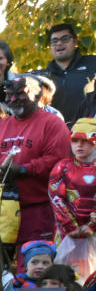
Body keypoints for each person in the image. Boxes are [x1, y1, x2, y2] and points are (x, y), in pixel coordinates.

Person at [0, 76, 72, 254]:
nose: (13, 100)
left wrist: (25, 169)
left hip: (35, 211)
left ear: (36, 95)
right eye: (9, 95)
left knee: (32, 269)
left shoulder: (52, 124)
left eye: (20, 94)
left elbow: (58, 160)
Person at [49, 118, 96, 280]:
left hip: (93, 234)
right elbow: (55, 198)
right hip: (65, 233)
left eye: (85, 141)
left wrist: (92, 226)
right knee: (62, 276)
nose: (79, 146)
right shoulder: (63, 166)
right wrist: (71, 227)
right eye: (75, 141)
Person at [43, 23, 96, 124]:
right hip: (55, 135)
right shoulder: (42, 76)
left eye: (65, 39)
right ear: (50, 46)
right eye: (54, 41)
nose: (59, 43)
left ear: (75, 42)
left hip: (90, 134)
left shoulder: (93, 64)